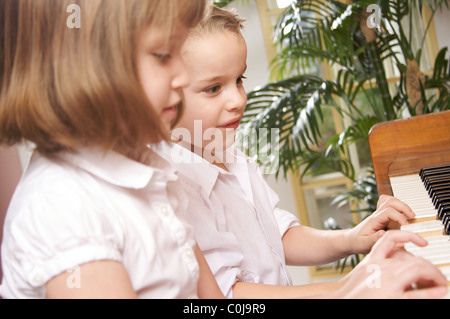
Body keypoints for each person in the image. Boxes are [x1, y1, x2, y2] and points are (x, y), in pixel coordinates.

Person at [154, 6, 448, 299]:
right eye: (214, 88)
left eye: (239, 80)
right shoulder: (177, 184)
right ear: (165, 93)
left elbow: (278, 235)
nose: (238, 99)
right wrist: (353, 288)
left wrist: (352, 238)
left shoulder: (229, 152)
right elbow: (227, 295)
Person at [0, 0, 224, 299]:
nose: (183, 78)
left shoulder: (149, 168)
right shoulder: (62, 208)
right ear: (82, 64)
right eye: (162, 56)